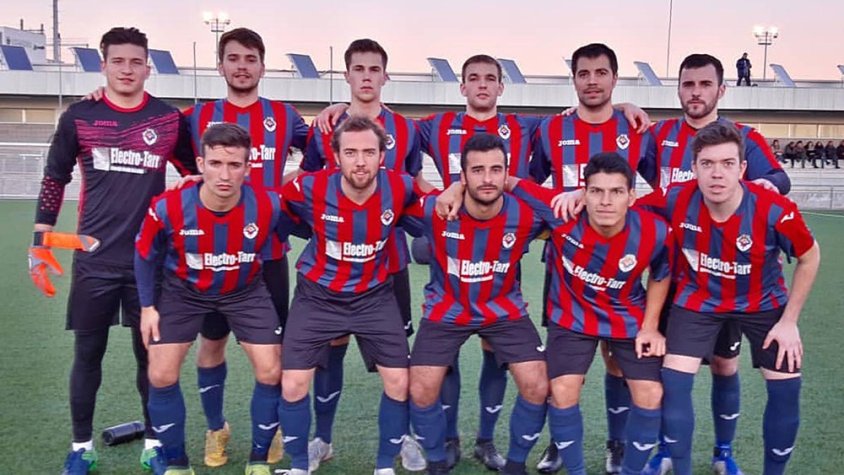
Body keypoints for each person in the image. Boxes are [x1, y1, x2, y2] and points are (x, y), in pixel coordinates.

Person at [29, 27, 197, 475]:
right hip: (95, 259)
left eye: (135, 61)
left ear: (147, 66)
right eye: (118, 61)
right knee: (88, 354)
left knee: (152, 359)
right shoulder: (80, 116)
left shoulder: (166, 120)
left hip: (149, 262)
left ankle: (154, 443)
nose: (127, 69)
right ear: (103, 64)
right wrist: (39, 238)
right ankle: (81, 446)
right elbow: (54, 176)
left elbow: (197, 169)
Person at [639, 53, 792, 475]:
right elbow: (618, 156)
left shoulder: (744, 136)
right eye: (688, 85)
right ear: (679, 90)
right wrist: (623, 109)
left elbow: (779, 180)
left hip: (727, 274)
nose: (696, 92)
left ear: (721, 90)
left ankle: (723, 451)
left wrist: (758, 188)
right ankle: (667, 450)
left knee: (725, 364)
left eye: (705, 85)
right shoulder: (660, 134)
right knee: (664, 364)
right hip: (672, 273)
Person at [655, 122, 820, 475]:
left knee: (786, 387)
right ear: (694, 167)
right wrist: (578, 195)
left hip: (764, 303)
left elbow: (810, 255)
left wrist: (789, 322)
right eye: (708, 164)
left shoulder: (774, 208)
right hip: (697, 301)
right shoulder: (676, 197)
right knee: (675, 381)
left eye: (728, 164)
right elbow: (624, 206)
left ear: (743, 169)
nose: (717, 173)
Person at [135, 123, 298, 475]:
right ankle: (177, 462)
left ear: (247, 167)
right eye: (215, 164)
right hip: (184, 292)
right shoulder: (169, 206)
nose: (224, 174)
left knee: (272, 369)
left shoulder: (268, 204)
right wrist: (148, 307)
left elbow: (310, 224)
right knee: (161, 373)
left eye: (234, 165)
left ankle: (258, 459)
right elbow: (144, 254)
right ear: (200, 163)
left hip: (244, 291)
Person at [298, 38, 426, 473]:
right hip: (334, 268)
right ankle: (322, 439)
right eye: (359, 69)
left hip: (388, 262)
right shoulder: (326, 125)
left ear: (385, 76)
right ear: (348, 75)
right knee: (329, 353)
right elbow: (309, 182)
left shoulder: (407, 128)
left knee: (397, 358)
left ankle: (402, 436)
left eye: (375, 69)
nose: (367, 76)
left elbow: (416, 186)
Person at [182, 27, 308, 468]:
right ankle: (216, 429)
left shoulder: (283, 114)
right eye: (233, 58)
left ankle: (267, 432)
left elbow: (315, 158)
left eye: (250, 58)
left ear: (262, 65)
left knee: (270, 356)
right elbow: (181, 162)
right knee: (212, 344)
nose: (241, 66)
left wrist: (284, 186)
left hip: (268, 254)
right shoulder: (197, 117)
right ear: (221, 66)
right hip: (213, 256)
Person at [529, 42, 653, 475]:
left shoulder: (636, 128)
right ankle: (560, 442)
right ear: (574, 79)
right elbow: (529, 185)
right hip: (566, 266)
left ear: (614, 78)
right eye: (584, 73)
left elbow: (660, 187)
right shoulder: (550, 128)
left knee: (618, 361)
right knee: (563, 362)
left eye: (602, 73)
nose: (593, 81)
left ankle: (617, 445)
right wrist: (558, 202)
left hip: (622, 265)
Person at [514, 153, 672, 475]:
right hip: (572, 318)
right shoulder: (561, 211)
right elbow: (508, 181)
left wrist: (651, 326)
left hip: (627, 315)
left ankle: (629, 467)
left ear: (631, 196)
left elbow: (661, 272)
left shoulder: (653, 230)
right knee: (562, 390)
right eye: (596, 191)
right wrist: (455, 190)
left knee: (651, 393)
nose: (605, 201)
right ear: (583, 193)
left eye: (616, 192)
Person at [404, 133, 550, 475]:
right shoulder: (437, 209)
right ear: (463, 176)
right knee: (421, 387)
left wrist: (518, 185)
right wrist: (445, 191)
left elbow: (562, 204)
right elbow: (392, 195)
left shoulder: (527, 216)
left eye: (496, 170)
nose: (487, 178)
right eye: (478, 170)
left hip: (504, 310)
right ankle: (437, 463)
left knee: (538, 384)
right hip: (446, 310)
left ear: (507, 174)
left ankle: (515, 465)